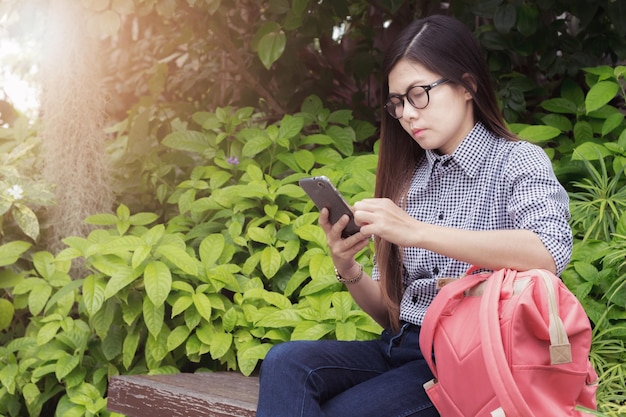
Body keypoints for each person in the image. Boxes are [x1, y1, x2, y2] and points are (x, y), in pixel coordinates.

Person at [256, 14, 572, 417]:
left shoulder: (516, 161)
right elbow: (390, 315)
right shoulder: (410, 179)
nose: (406, 112)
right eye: (397, 102)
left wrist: (417, 232)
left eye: (418, 93)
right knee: (284, 362)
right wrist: (346, 263)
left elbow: (548, 252)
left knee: (341, 411)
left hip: (470, 361)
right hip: (403, 346)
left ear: (467, 87)